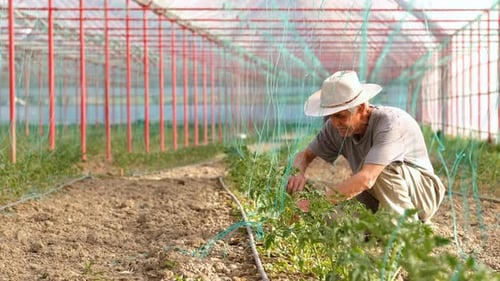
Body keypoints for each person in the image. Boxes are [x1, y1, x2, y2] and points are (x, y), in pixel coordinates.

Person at [286, 70, 445, 223]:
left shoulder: (389, 123)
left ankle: (407, 228)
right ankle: (381, 226)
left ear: (361, 108)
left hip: (422, 194)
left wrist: (314, 204)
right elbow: (304, 155)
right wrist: (297, 172)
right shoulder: (336, 126)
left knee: (380, 168)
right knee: (336, 223)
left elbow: (367, 178)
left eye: (340, 115)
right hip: (377, 193)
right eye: (330, 116)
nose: (334, 122)